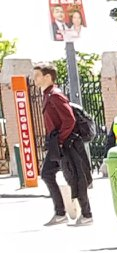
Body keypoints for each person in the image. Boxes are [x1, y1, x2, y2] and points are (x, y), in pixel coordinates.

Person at [32, 63, 93, 227]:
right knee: (47, 174)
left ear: (47, 77)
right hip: (57, 144)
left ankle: (87, 215)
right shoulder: (47, 95)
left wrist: (60, 139)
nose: (34, 79)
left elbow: (69, 120)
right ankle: (60, 213)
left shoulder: (55, 95)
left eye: (37, 75)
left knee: (76, 177)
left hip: (67, 144)